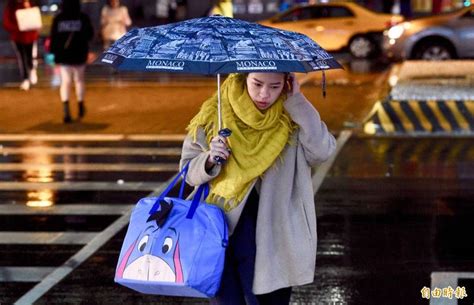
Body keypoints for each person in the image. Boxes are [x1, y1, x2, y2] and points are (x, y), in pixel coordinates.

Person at [180, 72, 336, 305]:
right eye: (257, 84)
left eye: (275, 86)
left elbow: (322, 151)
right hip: (220, 229)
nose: (265, 94)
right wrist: (210, 159)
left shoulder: (292, 116)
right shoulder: (215, 114)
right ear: (244, 79)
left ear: (287, 83)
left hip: (273, 234)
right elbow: (187, 172)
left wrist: (298, 101)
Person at [50, 0, 93, 123]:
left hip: (64, 55)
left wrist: (55, 54)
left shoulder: (58, 19)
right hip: (79, 53)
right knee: (79, 80)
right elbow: (89, 35)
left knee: (66, 81)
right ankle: (80, 106)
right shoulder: (83, 17)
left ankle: (66, 111)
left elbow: (54, 37)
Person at [2, 0, 40, 91]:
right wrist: (17, 28)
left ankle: (31, 72)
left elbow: (35, 18)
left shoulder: (30, 3)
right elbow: (7, 22)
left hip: (30, 36)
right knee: (22, 58)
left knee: (30, 56)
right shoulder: (11, 5)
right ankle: (25, 79)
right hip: (18, 37)